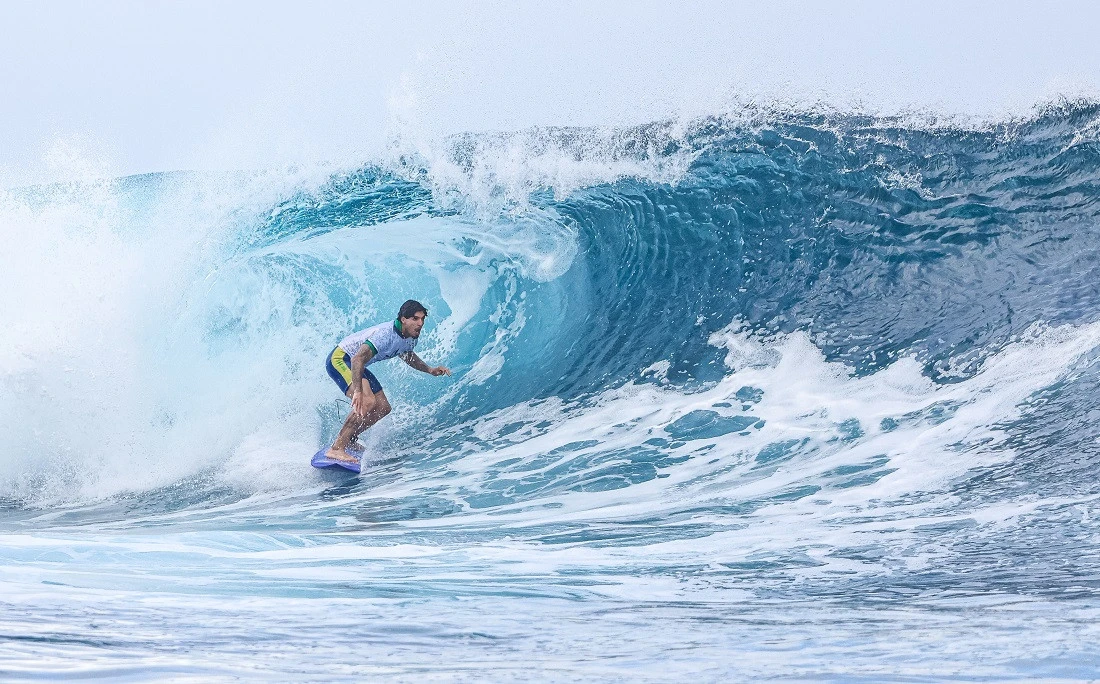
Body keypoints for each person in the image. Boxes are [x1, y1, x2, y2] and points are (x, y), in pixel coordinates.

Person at [324, 299, 451, 463]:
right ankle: (337, 448)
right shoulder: (385, 335)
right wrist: (358, 391)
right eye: (415, 319)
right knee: (367, 400)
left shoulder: (411, 336)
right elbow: (357, 359)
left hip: (358, 364)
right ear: (403, 319)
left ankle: (350, 439)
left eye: (422, 319)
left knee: (383, 407)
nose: (420, 324)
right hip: (341, 360)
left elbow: (407, 354)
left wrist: (430, 370)